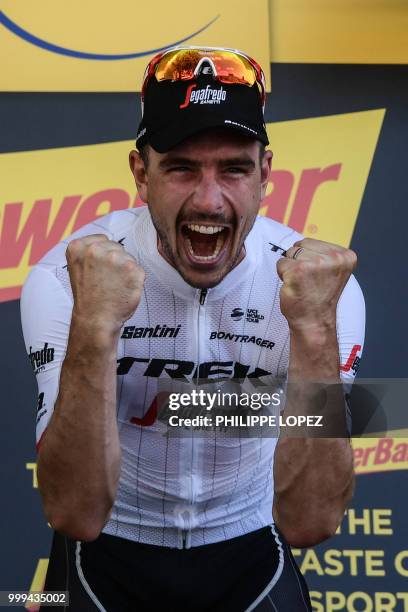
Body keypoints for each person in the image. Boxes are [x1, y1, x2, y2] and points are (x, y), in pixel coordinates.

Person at [21, 46, 365, 611]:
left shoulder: (321, 287)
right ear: (141, 174)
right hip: (104, 556)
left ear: (265, 176)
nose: (209, 199)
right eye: (181, 167)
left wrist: (313, 333)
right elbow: (74, 513)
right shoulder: (68, 277)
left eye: (234, 168)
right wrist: (96, 327)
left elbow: (311, 520)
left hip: (249, 553)